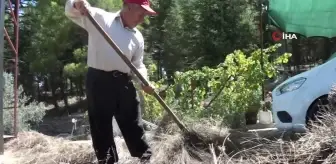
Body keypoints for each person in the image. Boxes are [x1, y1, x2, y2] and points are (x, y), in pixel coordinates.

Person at [64, 0, 157, 163]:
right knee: (101, 125)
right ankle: (107, 160)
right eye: (141, 13)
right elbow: (70, 11)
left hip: (124, 82)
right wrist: (77, 3)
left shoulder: (138, 37)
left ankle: (144, 157)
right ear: (129, 6)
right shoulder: (100, 18)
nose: (142, 18)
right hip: (99, 81)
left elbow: (138, 65)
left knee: (133, 120)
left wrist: (145, 81)